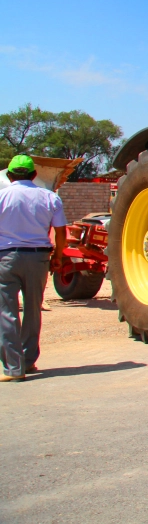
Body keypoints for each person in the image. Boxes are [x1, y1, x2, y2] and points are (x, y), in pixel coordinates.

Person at [0, 156, 67, 381]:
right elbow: (60, 232)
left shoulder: (2, 195)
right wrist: (57, 256)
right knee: (33, 310)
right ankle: (28, 362)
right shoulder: (50, 197)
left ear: (9, 176)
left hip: (6, 258)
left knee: (6, 312)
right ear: (34, 175)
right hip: (39, 259)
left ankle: (13, 367)